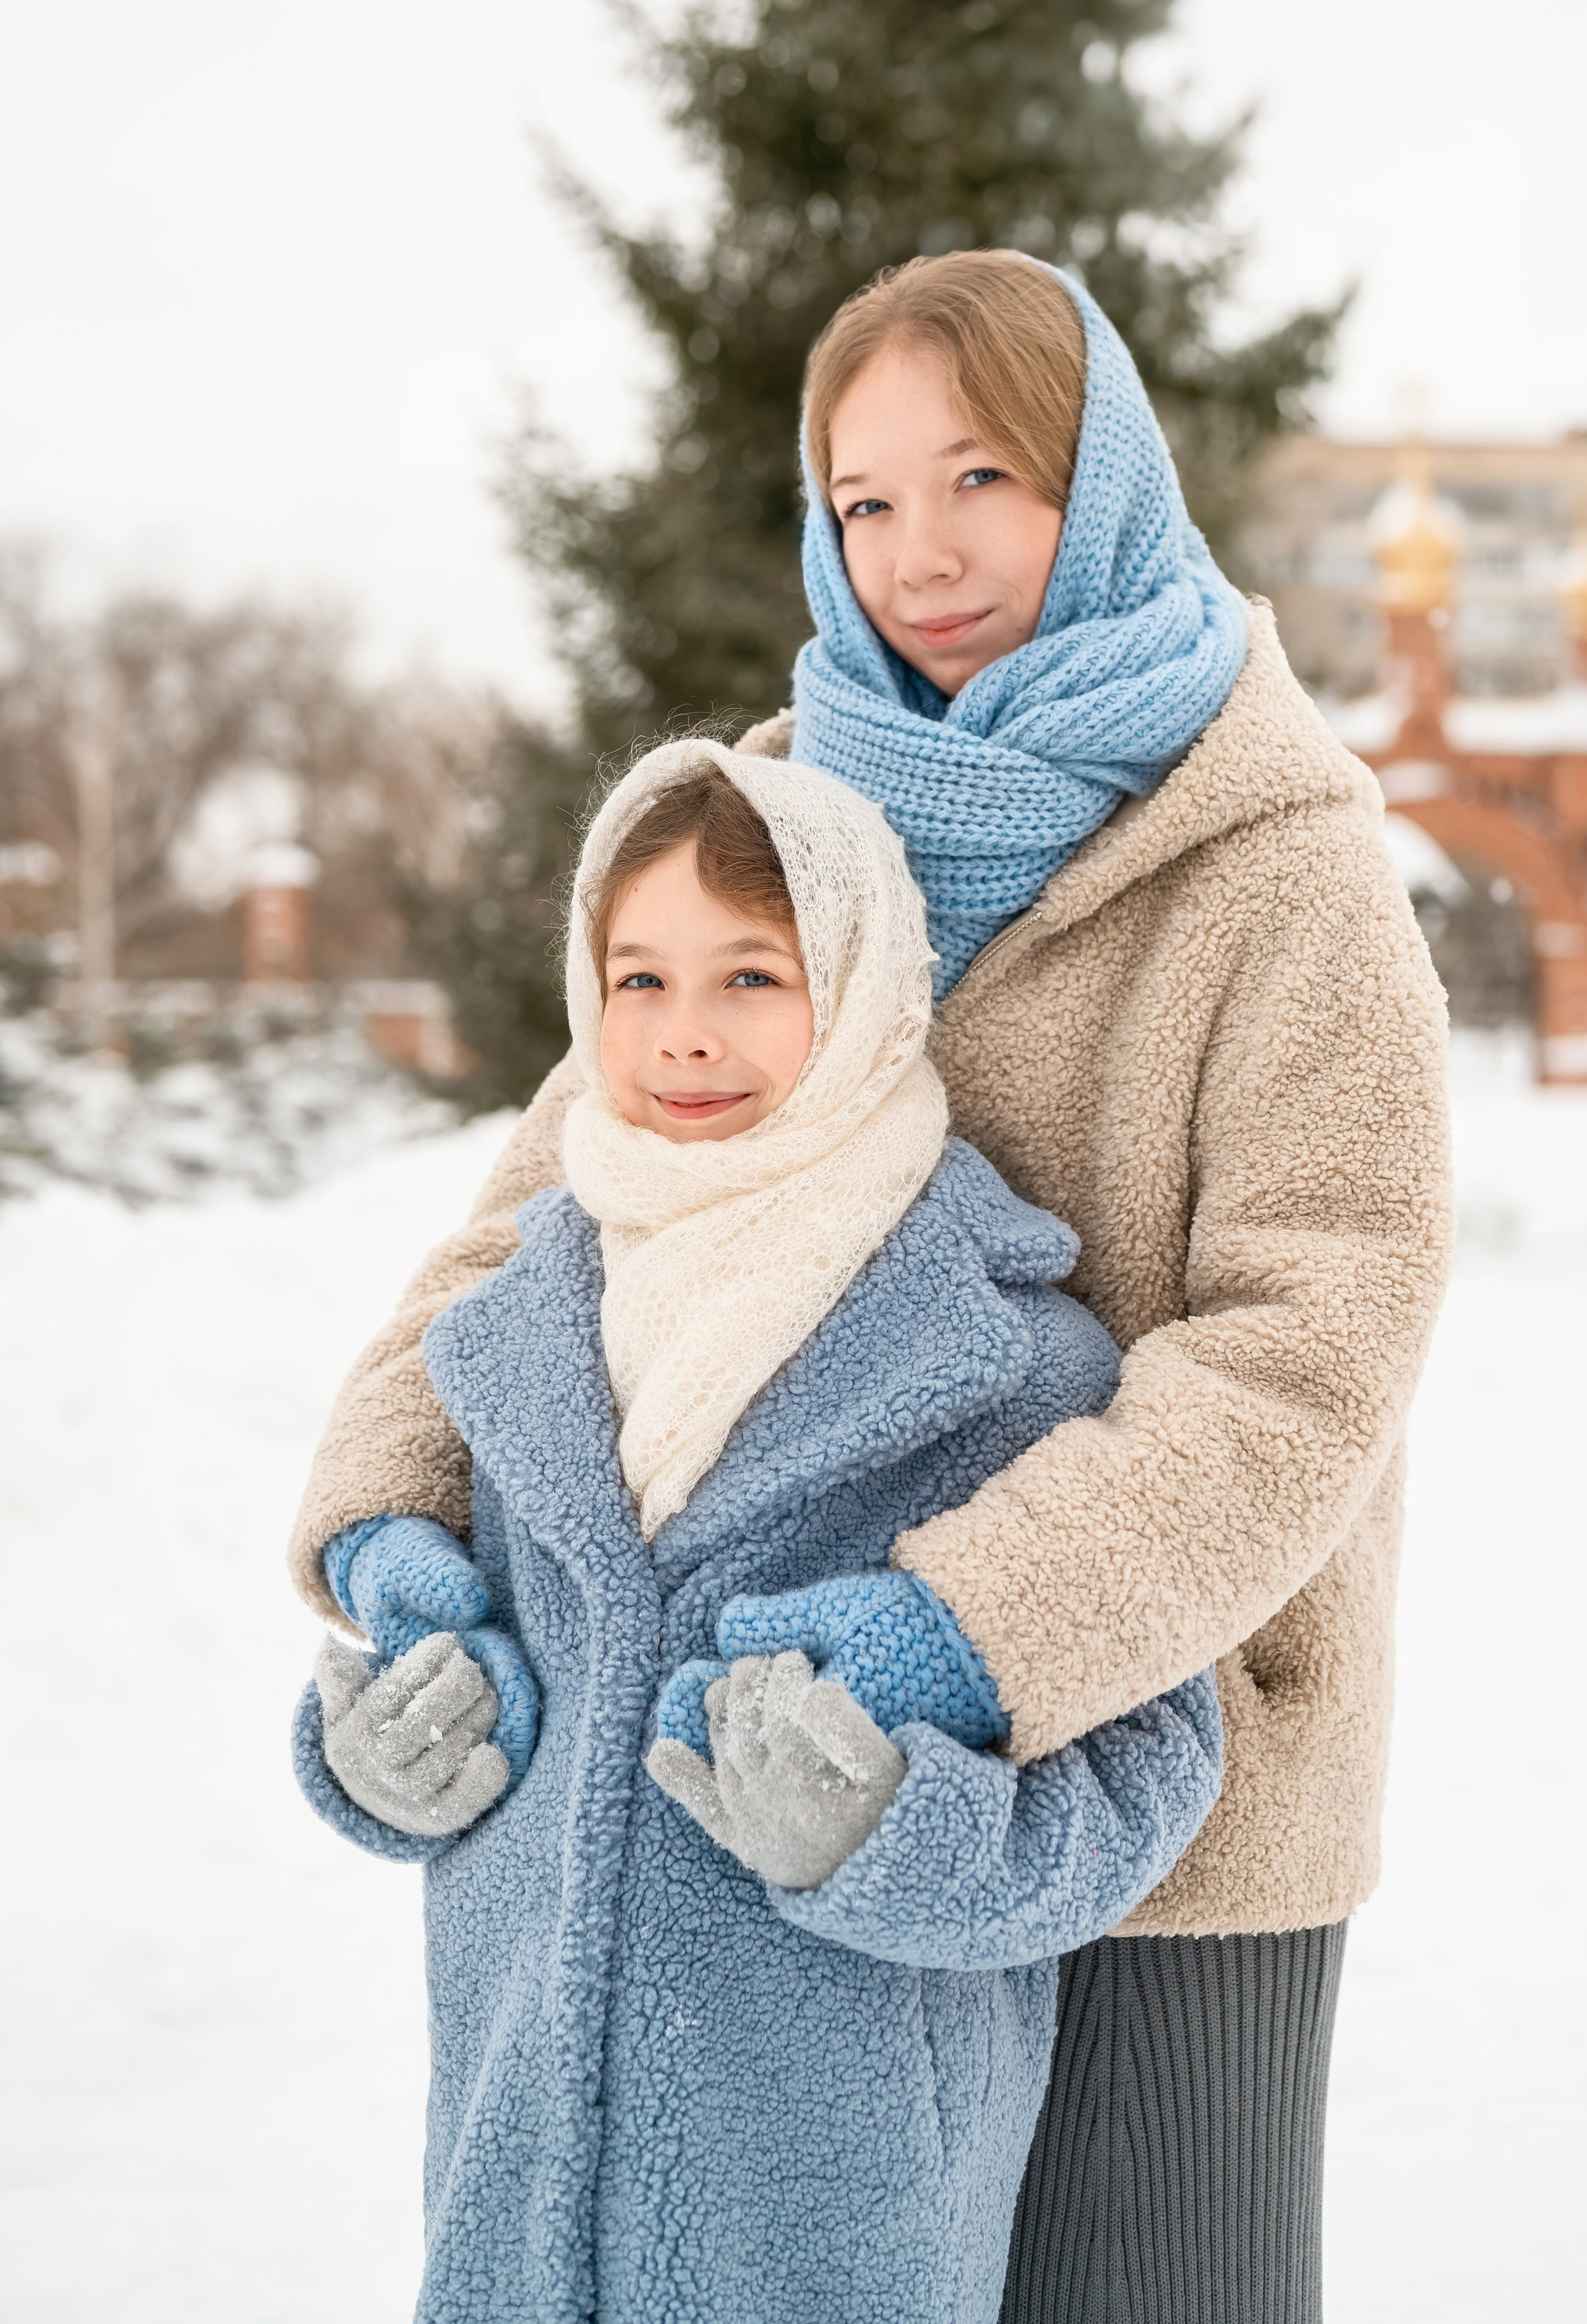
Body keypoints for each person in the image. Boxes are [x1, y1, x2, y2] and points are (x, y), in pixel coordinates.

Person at [289, 251, 1452, 2323]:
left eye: (980, 479)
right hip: (760, 1782)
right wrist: (393, 1541)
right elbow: (548, 1199)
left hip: (1160, 1784)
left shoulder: (1281, 857)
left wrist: (953, 1639)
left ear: (1095, 486)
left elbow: (1310, 1350)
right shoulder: (783, 805)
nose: (917, 555)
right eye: (863, 501)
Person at [293, 742, 1224, 2324]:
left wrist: (892, 1836)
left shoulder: (1005, 1355)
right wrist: (377, 1762)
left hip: (838, 2199)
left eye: (750, 974)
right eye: (638, 977)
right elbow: (465, 1686)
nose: (685, 1034)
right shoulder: (523, 1322)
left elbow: (1152, 1767)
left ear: (859, 989)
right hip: (518, 2175)